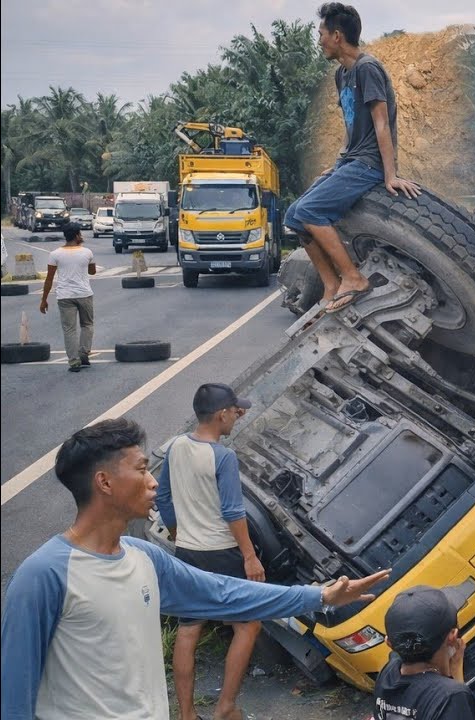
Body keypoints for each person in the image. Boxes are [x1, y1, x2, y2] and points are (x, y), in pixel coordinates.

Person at [0, 418, 389, 719]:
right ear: (104, 482)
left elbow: (225, 594)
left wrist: (318, 595)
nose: (153, 482)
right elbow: (13, 694)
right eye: (141, 469)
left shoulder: (142, 557)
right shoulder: (45, 576)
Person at [284, 3, 421, 315]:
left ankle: (354, 278)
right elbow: (350, 123)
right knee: (294, 216)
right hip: (352, 161)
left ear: (336, 35)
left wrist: (390, 175)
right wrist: (337, 163)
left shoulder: (367, 68)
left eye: (320, 34)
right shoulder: (342, 74)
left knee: (310, 211)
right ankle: (331, 285)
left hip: (369, 163)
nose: (318, 40)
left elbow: (381, 123)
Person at [155, 383, 264, 720]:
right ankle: (225, 708)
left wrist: (179, 535)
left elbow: (162, 498)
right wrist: (249, 556)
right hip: (222, 552)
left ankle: (186, 715)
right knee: (247, 625)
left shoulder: (175, 447)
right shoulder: (223, 457)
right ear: (220, 414)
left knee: (189, 629)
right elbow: (233, 512)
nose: (237, 416)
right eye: (233, 411)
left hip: (188, 552)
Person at [374, 586, 475, 720]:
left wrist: (454, 669)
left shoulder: (387, 673)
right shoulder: (450, 697)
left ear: (389, 643)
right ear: (452, 636)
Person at [38, 226, 96, 372]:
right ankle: (84, 353)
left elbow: (49, 279)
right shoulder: (87, 252)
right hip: (84, 294)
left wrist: (44, 300)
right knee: (87, 325)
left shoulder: (55, 254)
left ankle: (74, 362)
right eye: (80, 234)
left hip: (64, 296)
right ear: (77, 236)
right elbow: (92, 271)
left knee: (69, 329)